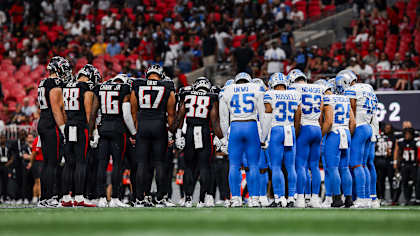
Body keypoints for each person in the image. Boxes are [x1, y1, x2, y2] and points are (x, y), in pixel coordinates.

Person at [175, 77, 226, 208]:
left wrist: (178, 134)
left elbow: (180, 116)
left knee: (189, 167)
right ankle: (202, 200)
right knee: (204, 167)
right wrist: (221, 138)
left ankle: (187, 198)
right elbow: (214, 121)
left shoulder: (186, 95)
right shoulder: (212, 97)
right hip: (204, 132)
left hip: (190, 132)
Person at [130, 65, 176, 207]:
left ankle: (139, 198)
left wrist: (135, 130)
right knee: (159, 163)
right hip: (159, 125)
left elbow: (133, 111)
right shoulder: (167, 86)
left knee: (142, 163)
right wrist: (170, 134)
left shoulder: (138, 85)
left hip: (143, 125)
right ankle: (161, 197)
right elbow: (171, 114)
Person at [219, 72, 267, 207]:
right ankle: (254, 199)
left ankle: (235, 198)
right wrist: (264, 136)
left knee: (234, 165)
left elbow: (223, 118)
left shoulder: (227, 89)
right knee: (253, 165)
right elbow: (263, 115)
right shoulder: (256, 88)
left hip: (235, 126)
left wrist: (224, 137)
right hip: (251, 126)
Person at [91, 74, 135, 208]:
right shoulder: (124, 88)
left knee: (102, 164)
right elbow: (126, 114)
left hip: (103, 127)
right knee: (117, 164)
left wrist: (94, 132)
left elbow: (94, 113)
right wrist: (134, 132)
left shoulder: (101, 87)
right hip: (118, 129)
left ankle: (101, 198)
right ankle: (115, 197)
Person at [60, 64, 98, 207]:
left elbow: (63, 110)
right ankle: (79, 196)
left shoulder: (68, 86)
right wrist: (92, 132)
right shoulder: (86, 88)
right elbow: (89, 114)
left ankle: (65, 197)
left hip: (69, 125)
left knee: (69, 163)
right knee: (81, 162)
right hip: (81, 127)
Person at [338, 70, 376, 208]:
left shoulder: (352, 90)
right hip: (369, 126)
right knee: (364, 164)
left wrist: (350, 129)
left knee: (356, 164)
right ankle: (368, 197)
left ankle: (361, 197)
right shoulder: (368, 88)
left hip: (359, 127)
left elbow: (352, 108)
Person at [264, 72, 301, 207]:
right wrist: (295, 131)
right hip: (290, 129)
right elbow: (298, 116)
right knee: (291, 166)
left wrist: (264, 136)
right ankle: (291, 197)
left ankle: (279, 197)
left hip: (277, 130)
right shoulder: (295, 94)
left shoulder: (270, 94)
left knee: (276, 166)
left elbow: (267, 115)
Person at [37, 56, 70, 208]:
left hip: (43, 122)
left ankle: (44, 197)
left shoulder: (43, 82)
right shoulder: (55, 83)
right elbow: (57, 109)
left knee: (47, 163)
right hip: (52, 124)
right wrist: (63, 129)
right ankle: (49, 197)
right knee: (53, 163)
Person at [288, 69, 324, 208]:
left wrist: (296, 131)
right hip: (316, 127)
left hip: (304, 127)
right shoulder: (317, 88)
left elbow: (295, 111)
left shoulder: (294, 88)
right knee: (314, 166)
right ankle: (314, 198)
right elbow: (321, 112)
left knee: (301, 165)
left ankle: (301, 198)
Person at [322, 78, 355, 208]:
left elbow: (329, 121)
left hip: (334, 133)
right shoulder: (346, 99)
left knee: (332, 168)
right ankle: (348, 199)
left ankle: (336, 199)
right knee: (345, 168)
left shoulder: (329, 99)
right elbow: (353, 123)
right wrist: (348, 135)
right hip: (346, 132)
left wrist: (321, 135)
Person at [394, 128, 420, 205]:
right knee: (404, 182)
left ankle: (417, 198)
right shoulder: (401, 142)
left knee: (416, 182)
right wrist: (397, 163)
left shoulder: (416, 142)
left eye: (408, 134)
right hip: (404, 165)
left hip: (413, 165)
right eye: (406, 134)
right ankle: (407, 199)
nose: (407, 136)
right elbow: (399, 153)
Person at [375, 124, 396, 205]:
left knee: (391, 180)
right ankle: (381, 197)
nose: (387, 129)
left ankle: (393, 199)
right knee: (380, 180)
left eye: (388, 128)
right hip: (379, 159)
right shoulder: (378, 136)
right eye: (386, 128)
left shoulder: (393, 137)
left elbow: (395, 149)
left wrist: (394, 161)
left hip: (388, 161)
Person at [0, 133, 14, 202]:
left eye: (3, 138)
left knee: (5, 182)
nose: (2, 140)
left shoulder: (8, 147)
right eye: (1, 138)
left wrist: (8, 163)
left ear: (5, 139)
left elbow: (12, 157)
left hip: (6, 166)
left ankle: (5, 197)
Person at [30, 135, 43, 204]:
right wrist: (31, 163)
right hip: (39, 162)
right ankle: (40, 198)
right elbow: (34, 152)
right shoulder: (38, 139)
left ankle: (35, 198)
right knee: (39, 181)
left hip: (39, 162)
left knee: (37, 181)